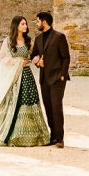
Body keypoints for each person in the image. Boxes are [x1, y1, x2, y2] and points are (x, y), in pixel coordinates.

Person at [0, 15, 51, 147]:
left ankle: (34, 136)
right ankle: (14, 135)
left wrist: (35, 60)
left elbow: (34, 56)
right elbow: (2, 60)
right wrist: (19, 62)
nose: (25, 26)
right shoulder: (8, 41)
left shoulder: (29, 41)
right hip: (14, 79)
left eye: (25, 24)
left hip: (27, 77)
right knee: (15, 103)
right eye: (22, 24)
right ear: (16, 26)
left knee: (29, 102)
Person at [30, 10, 70, 147]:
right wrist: (36, 62)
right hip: (44, 79)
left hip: (58, 78)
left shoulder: (59, 37)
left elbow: (66, 57)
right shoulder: (38, 39)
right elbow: (33, 55)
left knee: (56, 107)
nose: (36, 24)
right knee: (48, 107)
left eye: (37, 21)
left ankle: (60, 138)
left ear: (44, 22)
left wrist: (63, 75)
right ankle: (53, 137)